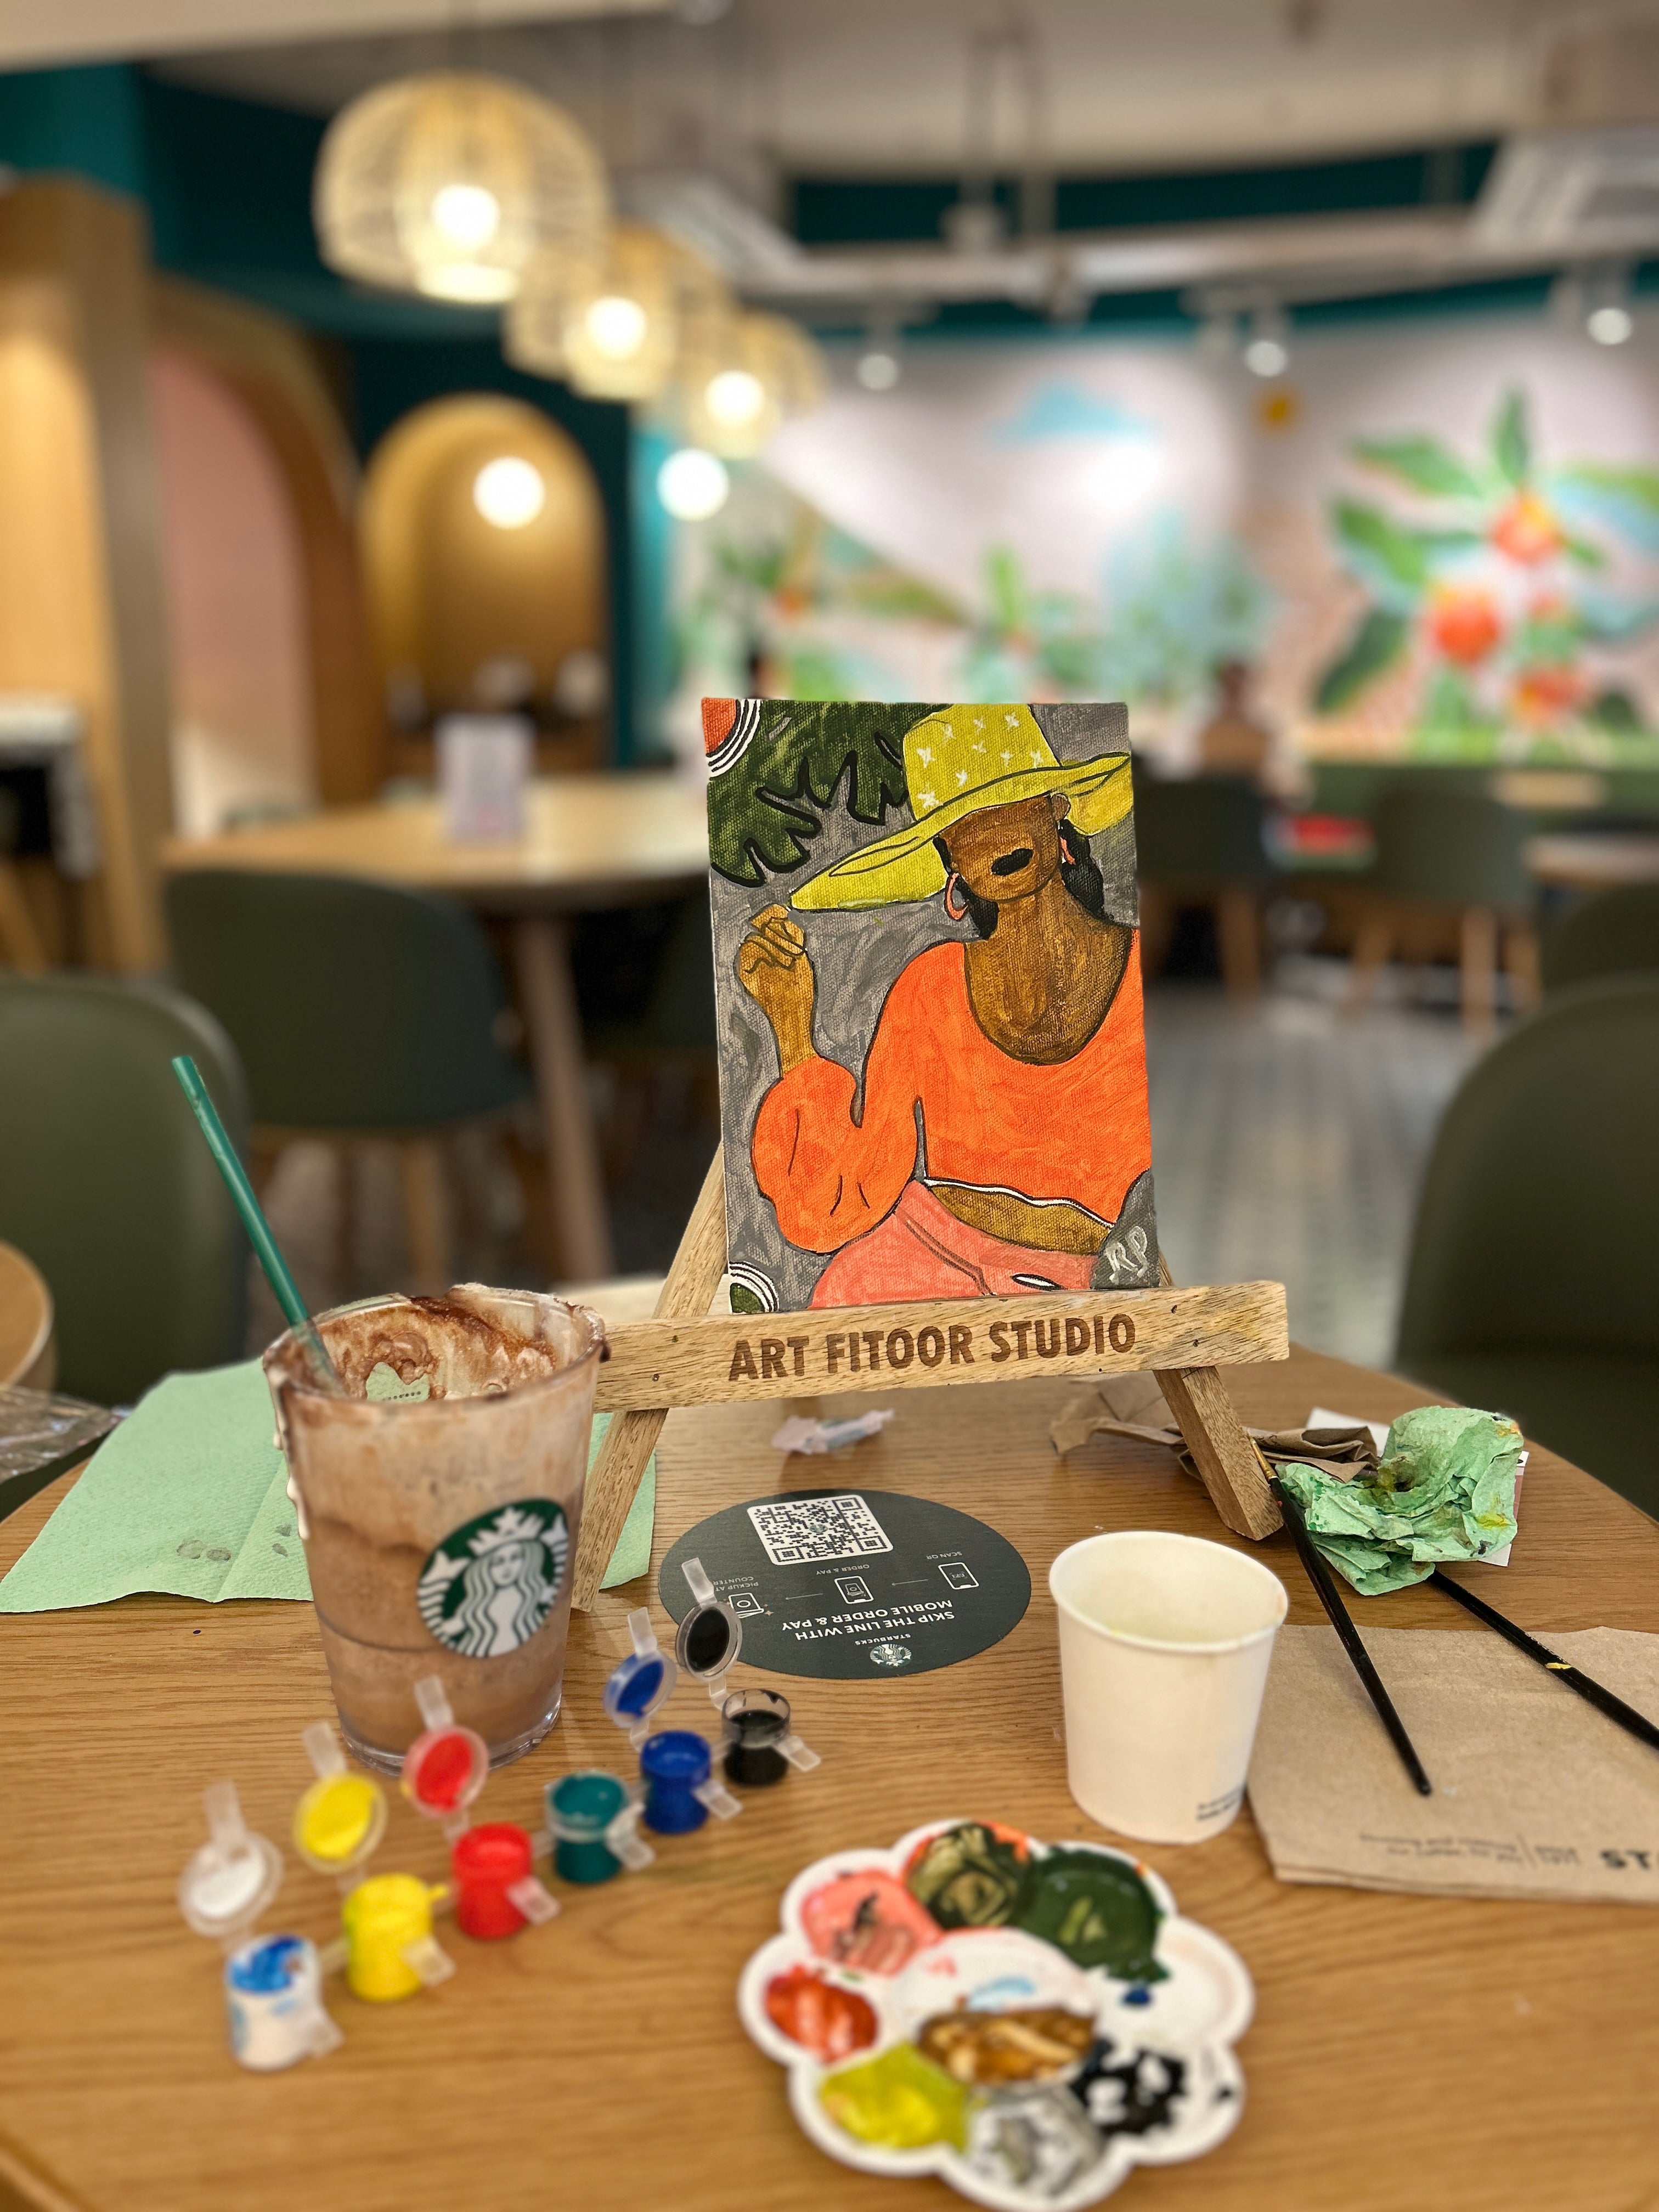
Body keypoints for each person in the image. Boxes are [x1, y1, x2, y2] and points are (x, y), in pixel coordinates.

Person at [737, 705, 1156, 1306]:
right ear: (949, 860)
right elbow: (843, 1203)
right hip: (927, 1259)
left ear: (1056, 810)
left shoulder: (1140, 976)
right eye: (965, 825)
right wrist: (791, 1025)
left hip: (1095, 1285)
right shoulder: (931, 986)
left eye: (1015, 801)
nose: (996, 834)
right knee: (845, 1293)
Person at [1197, 659, 1274, 786]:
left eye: (1238, 686)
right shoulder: (1209, 734)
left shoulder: (1259, 736)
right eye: (1230, 686)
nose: (1234, 692)